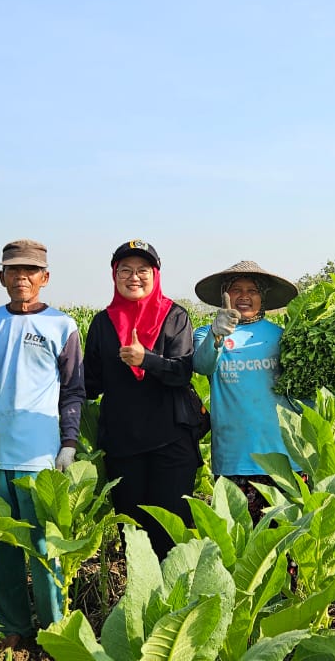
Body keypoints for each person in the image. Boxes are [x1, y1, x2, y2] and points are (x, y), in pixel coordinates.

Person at [0, 239, 85, 651]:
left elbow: (74, 390)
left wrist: (69, 443)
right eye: (13, 270)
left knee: (45, 549)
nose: (21, 277)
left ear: (44, 278)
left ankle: (53, 630)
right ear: (1, 277)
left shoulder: (63, 326)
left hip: (40, 456)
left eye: (30, 271)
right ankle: (12, 627)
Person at [191, 260, 335, 522]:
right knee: (238, 553)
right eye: (236, 289)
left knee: (286, 550)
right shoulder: (206, 333)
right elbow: (203, 365)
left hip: (287, 461)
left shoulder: (285, 337)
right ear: (224, 295)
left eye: (252, 290)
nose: (244, 297)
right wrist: (217, 335)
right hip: (234, 459)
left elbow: (308, 395)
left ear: (263, 297)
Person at [83, 239, 201, 561]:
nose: (134, 277)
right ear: (114, 275)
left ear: (155, 274)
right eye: (125, 270)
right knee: (133, 536)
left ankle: (175, 605)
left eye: (142, 270)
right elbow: (89, 384)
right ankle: (138, 603)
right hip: (123, 444)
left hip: (171, 442)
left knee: (171, 532)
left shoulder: (174, 316)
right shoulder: (103, 323)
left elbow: (181, 372)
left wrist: (146, 359)